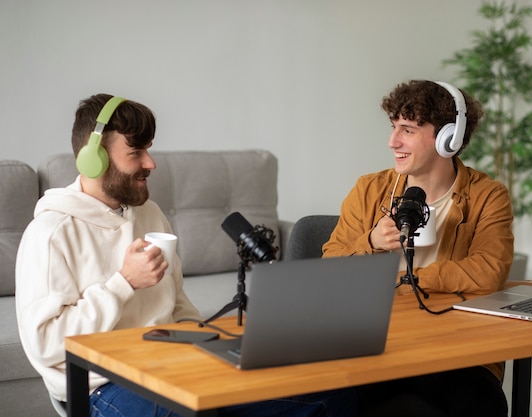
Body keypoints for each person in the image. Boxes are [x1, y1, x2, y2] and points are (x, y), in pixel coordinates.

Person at [15, 94, 357, 417]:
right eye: (136, 152)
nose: (151, 162)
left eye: (148, 149)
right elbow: (46, 344)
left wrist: (216, 349)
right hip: (102, 385)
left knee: (332, 392)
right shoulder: (50, 234)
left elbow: (178, 307)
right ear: (93, 158)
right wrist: (123, 283)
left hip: (172, 368)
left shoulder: (149, 214)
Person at [322, 80, 514, 417]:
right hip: (383, 342)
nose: (392, 141)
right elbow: (329, 269)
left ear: (448, 139)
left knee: (481, 403)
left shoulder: (488, 195)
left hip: (460, 346)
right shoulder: (369, 190)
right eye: (394, 127)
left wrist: (414, 279)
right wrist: (370, 243)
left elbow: (489, 271)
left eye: (407, 129)